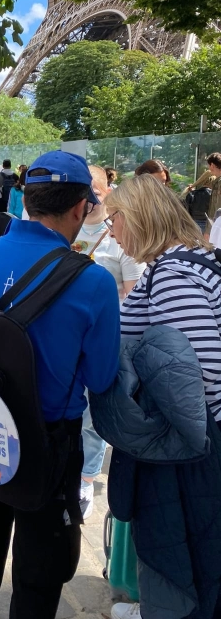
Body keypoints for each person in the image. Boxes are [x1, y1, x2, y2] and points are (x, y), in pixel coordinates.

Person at [0, 150, 120, 619]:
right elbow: (102, 378)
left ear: (27, 197)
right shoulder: (94, 282)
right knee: (39, 572)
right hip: (50, 446)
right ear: (81, 207)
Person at [98, 174, 221, 619]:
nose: (111, 231)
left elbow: (198, 377)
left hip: (196, 449)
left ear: (138, 217)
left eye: (114, 220)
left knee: (190, 554)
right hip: (201, 442)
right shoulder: (189, 260)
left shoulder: (173, 275)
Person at [71, 165, 145, 518]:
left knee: (91, 416)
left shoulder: (120, 236)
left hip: (104, 341)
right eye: (82, 192)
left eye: (94, 191)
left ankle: (86, 481)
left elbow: (134, 298)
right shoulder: (65, 226)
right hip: (67, 337)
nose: (88, 199)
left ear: (108, 189)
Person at [207, 152, 221, 220]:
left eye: (208, 166)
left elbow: (217, 207)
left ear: (212, 165)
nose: (208, 169)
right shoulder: (217, 182)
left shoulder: (219, 183)